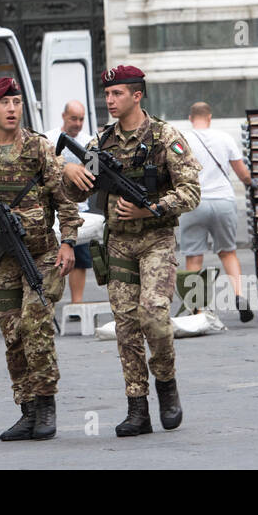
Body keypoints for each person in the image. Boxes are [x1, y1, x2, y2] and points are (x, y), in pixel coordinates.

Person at [62, 66, 202, 437]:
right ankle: (137, 407)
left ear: (137, 95)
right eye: (107, 94)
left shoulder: (164, 136)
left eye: (117, 94)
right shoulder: (101, 143)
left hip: (156, 239)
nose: (110, 100)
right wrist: (70, 174)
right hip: (119, 243)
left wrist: (150, 208)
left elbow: (191, 192)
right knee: (125, 327)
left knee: (153, 315)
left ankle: (166, 385)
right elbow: (79, 193)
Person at [0, 77, 81, 442]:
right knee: (12, 333)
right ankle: (27, 411)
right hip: (0, 258)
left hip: (43, 254)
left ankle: (47, 403)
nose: (11, 109)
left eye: (17, 102)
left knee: (35, 324)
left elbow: (66, 202)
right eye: (4, 103)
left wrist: (68, 243)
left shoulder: (39, 149)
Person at [179, 102, 254, 322]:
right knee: (228, 252)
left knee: (194, 257)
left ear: (191, 118)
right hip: (223, 200)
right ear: (209, 117)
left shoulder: (183, 139)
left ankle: (196, 309)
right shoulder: (225, 138)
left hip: (195, 202)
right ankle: (239, 295)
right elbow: (243, 174)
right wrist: (251, 182)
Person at [44, 99, 102, 303]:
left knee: (79, 259)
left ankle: (77, 303)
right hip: (52, 210)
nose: (77, 123)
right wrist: (66, 169)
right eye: (73, 118)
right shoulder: (49, 139)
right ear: (63, 116)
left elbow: (96, 173)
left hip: (79, 210)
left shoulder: (89, 142)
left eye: (81, 119)